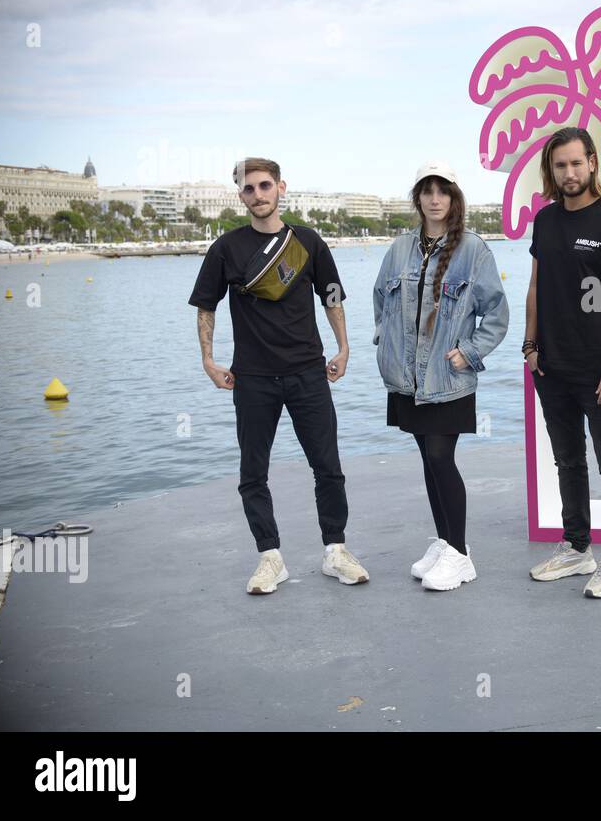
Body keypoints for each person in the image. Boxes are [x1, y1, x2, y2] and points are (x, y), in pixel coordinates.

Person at [189, 157, 369, 594]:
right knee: (253, 472)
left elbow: (331, 296)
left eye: (265, 185)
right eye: (248, 189)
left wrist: (344, 347)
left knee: (328, 467)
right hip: (251, 378)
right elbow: (206, 306)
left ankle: (335, 551)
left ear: (281, 188)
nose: (258, 194)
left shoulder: (307, 241)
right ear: (240, 196)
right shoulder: (225, 248)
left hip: (308, 372)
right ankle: (270, 558)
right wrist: (208, 360)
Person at [373, 161, 509, 591]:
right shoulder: (398, 248)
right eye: (427, 191)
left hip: (446, 378)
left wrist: (468, 353)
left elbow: (497, 314)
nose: (435, 199)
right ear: (417, 198)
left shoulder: (473, 249)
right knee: (427, 462)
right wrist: (388, 345)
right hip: (407, 380)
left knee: (439, 458)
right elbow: (381, 301)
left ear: (453, 198)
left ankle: (461, 554)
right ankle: (446, 545)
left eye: (442, 191)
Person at [524, 126, 601, 598]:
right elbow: (536, 286)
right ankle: (577, 547)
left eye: (576, 163)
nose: (569, 172)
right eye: (560, 165)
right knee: (567, 460)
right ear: (551, 171)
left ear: (592, 163)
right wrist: (530, 347)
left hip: (599, 369)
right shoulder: (546, 221)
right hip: (552, 366)